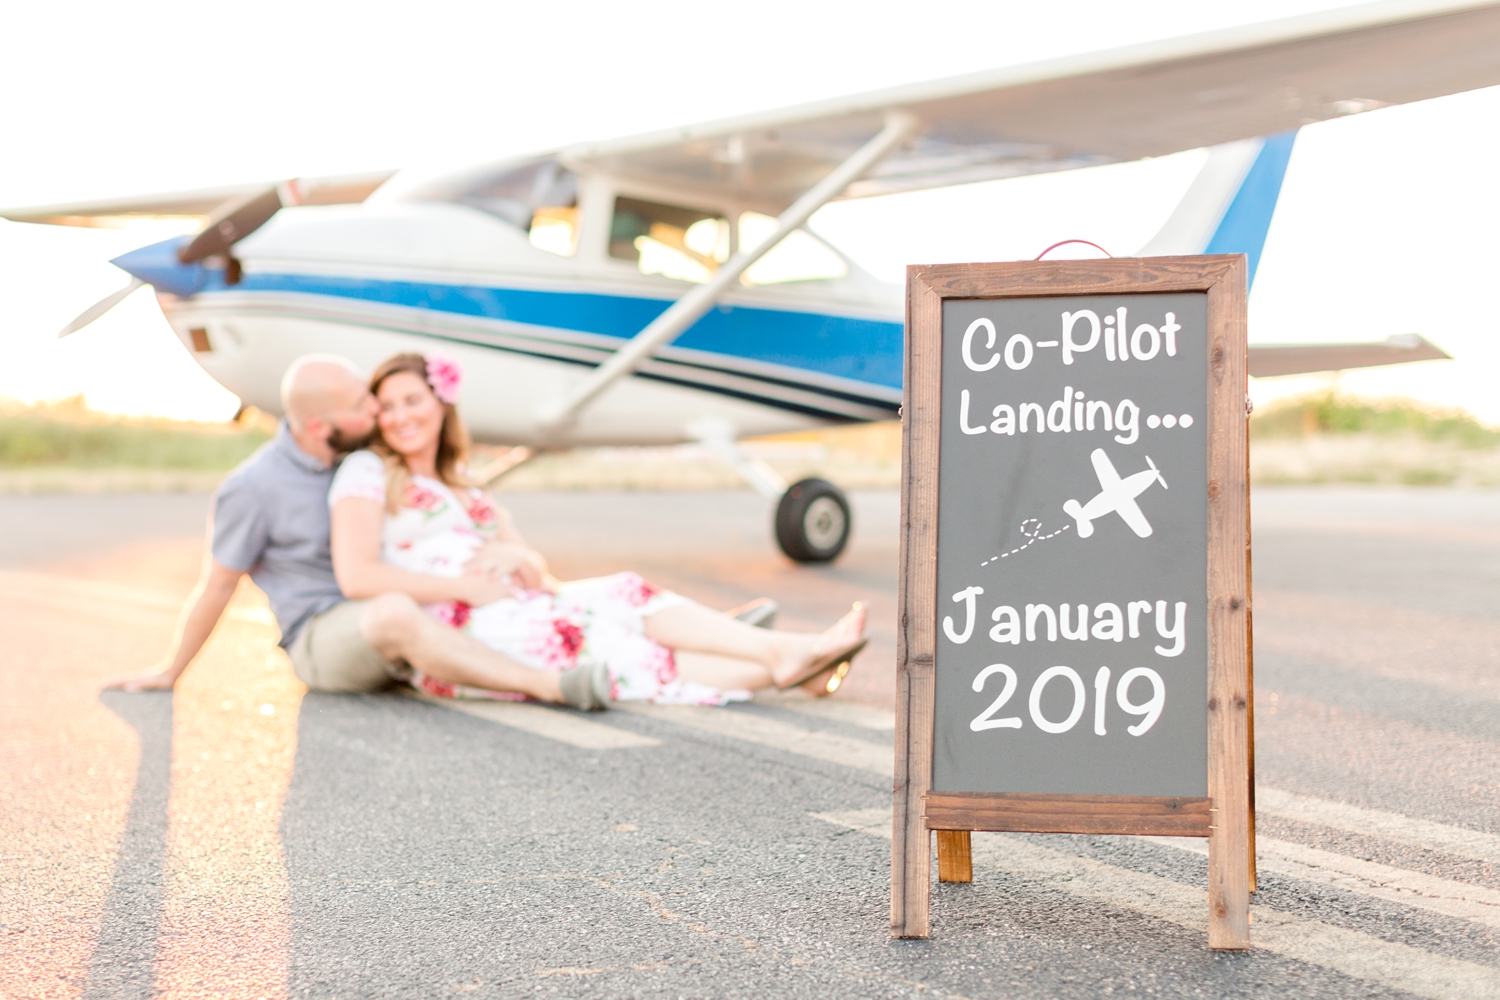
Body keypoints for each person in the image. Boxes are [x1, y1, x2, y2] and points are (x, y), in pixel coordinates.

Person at [327, 351, 868, 708]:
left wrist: (519, 561)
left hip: (523, 603)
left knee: (624, 589)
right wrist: (463, 587)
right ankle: (789, 659)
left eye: (412, 401)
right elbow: (358, 576)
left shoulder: (466, 483)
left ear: (441, 406)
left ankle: (787, 658)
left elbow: (540, 574)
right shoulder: (369, 472)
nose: (399, 417)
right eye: (388, 407)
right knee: (620, 647)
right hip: (462, 628)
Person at [104, 355, 601, 708]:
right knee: (394, 610)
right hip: (322, 638)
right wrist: (172, 672)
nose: (377, 413)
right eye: (363, 407)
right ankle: (547, 685)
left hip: (398, 607)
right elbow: (217, 585)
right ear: (320, 426)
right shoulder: (255, 488)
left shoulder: (363, 460)